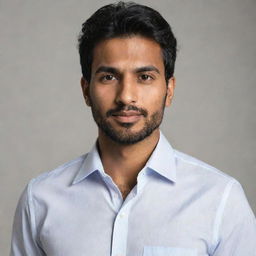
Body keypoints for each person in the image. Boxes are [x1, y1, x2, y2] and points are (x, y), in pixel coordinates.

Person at [10, 2, 256, 256]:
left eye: (145, 77)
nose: (126, 96)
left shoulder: (220, 200)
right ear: (86, 90)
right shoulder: (39, 200)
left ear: (169, 90)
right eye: (109, 77)